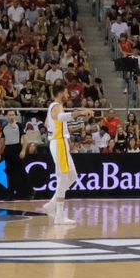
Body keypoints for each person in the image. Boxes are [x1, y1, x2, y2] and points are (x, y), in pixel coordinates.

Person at [41, 84, 80, 225]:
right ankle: (59, 216)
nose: (68, 95)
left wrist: (62, 129)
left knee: (73, 176)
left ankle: (51, 204)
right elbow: (61, 117)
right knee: (63, 177)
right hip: (59, 143)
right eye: (66, 92)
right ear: (59, 93)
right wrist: (76, 114)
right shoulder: (56, 105)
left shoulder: (53, 107)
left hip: (58, 141)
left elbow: (47, 124)